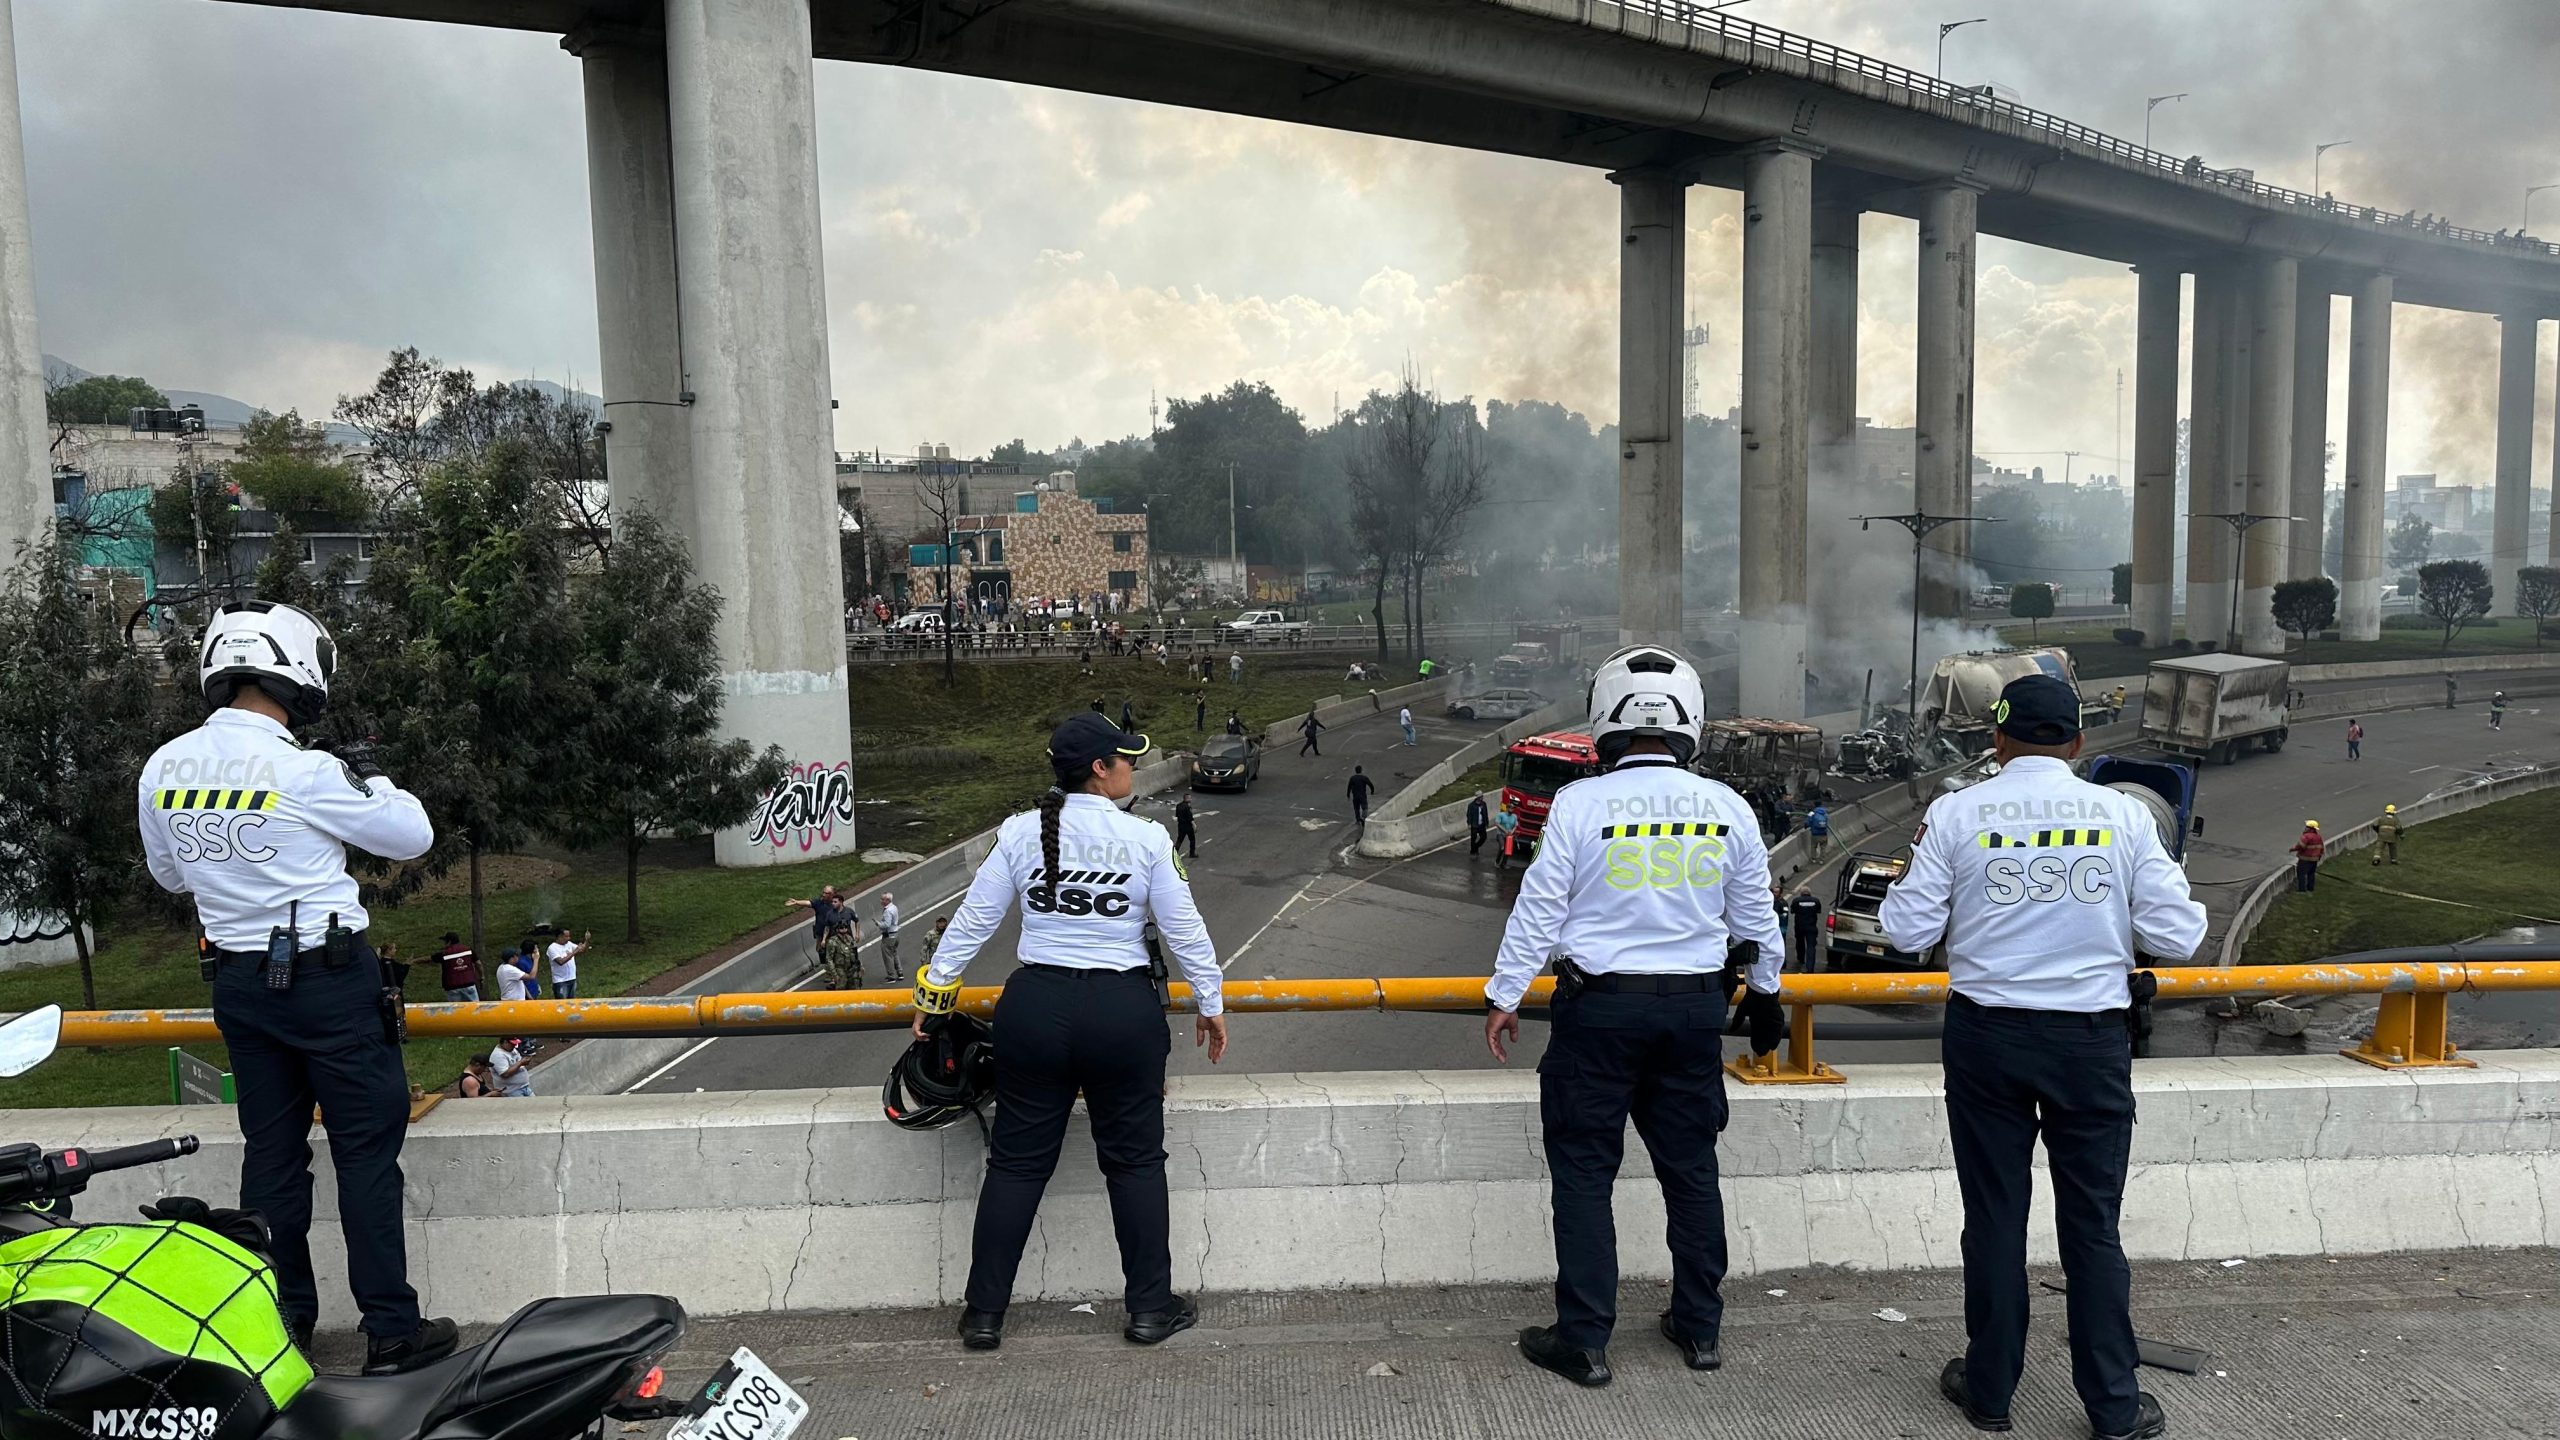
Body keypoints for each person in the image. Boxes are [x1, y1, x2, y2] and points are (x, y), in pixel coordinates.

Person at [1878, 673, 2207, 1440]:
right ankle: (2114, 1409)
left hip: (1988, 1036)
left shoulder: (1957, 812)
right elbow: (2181, 937)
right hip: (2089, 1041)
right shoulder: (2122, 816)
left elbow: (1904, 932)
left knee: (1994, 1217)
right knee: (2092, 1227)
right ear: (2079, 742)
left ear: (1996, 740)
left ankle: (1990, 1392)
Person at [136, 600, 456, 1372]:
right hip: (329, 982)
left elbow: (171, 874)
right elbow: (413, 837)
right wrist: (371, 772)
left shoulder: (163, 767)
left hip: (241, 985)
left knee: (272, 1159)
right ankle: (390, 1332)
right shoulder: (307, 769)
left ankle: (282, 1327)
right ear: (297, 666)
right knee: (364, 1156)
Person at [1483, 645, 1787, 1387]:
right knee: (1691, 1171)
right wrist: (1771, 992)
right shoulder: (1727, 806)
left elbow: (1540, 907)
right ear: (1691, 723)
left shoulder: (1581, 804)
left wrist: (1504, 993)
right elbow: (1757, 918)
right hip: (1693, 1010)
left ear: (1604, 721)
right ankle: (1699, 1327)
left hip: (1600, 1010)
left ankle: (1585, 1339)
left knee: (1585, 1173)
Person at [913, 713, 1228, 1351]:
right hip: (1122, 1014)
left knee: (1016, 1167)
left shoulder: (1019, 832)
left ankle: (983, 1315)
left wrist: (934, 994)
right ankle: (1148, 1310)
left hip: (1034, 1010)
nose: (1133, 769)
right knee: (1136, 1163)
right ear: (1100, 770)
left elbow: (973, 920)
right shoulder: (1145, 836)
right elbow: (1184, 928)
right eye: (1126, 759)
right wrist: (1211, 1001)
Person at [788, 884, 862, 987]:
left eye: (827, 893)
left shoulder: (843, 910)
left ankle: (837, 976)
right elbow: (809, 903)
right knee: (824, 953)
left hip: (837, 936)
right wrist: (796, 902)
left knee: (837, 955)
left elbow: (856, 920)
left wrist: (856, 934)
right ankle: (832, 974)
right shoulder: (820, 904)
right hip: (822, 933)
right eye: (823, 892)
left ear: (833, 895)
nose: (824, 895)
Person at [544, 926, 590, 1000]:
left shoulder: (569, 944)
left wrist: (587, 940)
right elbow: (560, 961)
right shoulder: (552, 948)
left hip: (572, 978)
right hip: (560, 981)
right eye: (566, 936)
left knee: (572, 1003)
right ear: (560, 936)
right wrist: (574, 952)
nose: (569, 938)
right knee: (562, 1004)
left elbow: (582, 950)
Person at [436, 931, 480, 1003]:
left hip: (453, 987)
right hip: (469, 985)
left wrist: (415, 960)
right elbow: (478, 964)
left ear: (449, 942)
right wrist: (481, 977)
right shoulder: (468, 950)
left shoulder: (445, 954)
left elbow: (430, 959)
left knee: (455, 1011)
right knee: (474, 1009)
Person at [1788, 888, 1824, 972]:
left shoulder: (1796, 901)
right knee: (1811, 947)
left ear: (1801, 893)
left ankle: (1800, 958)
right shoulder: (1816, 901)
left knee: (1800, 942)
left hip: (1799, 927)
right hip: (1811, 927)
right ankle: (1810, 968)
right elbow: (1818, 910)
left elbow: (1792, 911)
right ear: (1810, 893)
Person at [2292, 819, 2325, 891]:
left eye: (2306, 827)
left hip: (2304, 859)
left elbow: (2301, 846)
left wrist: (2293, 849)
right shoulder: (2318, 837)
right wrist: (2319, 856)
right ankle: (2310, 888)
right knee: (2311, 874)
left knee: (2301, 874)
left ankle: (2302, 889)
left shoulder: (2306, 836)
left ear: (2309, 828)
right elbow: (2321, 848)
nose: (2305, 828)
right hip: (2314, 860)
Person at [1495, 801, 1520, 869]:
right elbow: (1497, 824)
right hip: (1501, 834)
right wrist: (1505, 830)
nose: (1512, 809)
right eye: (1511, 808)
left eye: (1513, 808)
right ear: (1507, 808)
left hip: (1509, 835)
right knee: (1502, 847)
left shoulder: (1514, 816)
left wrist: (1512, 831)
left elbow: (1516, 825)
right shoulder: (1501, 815)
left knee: (1508, 850)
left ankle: (1503, 864)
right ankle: (1497, 861)